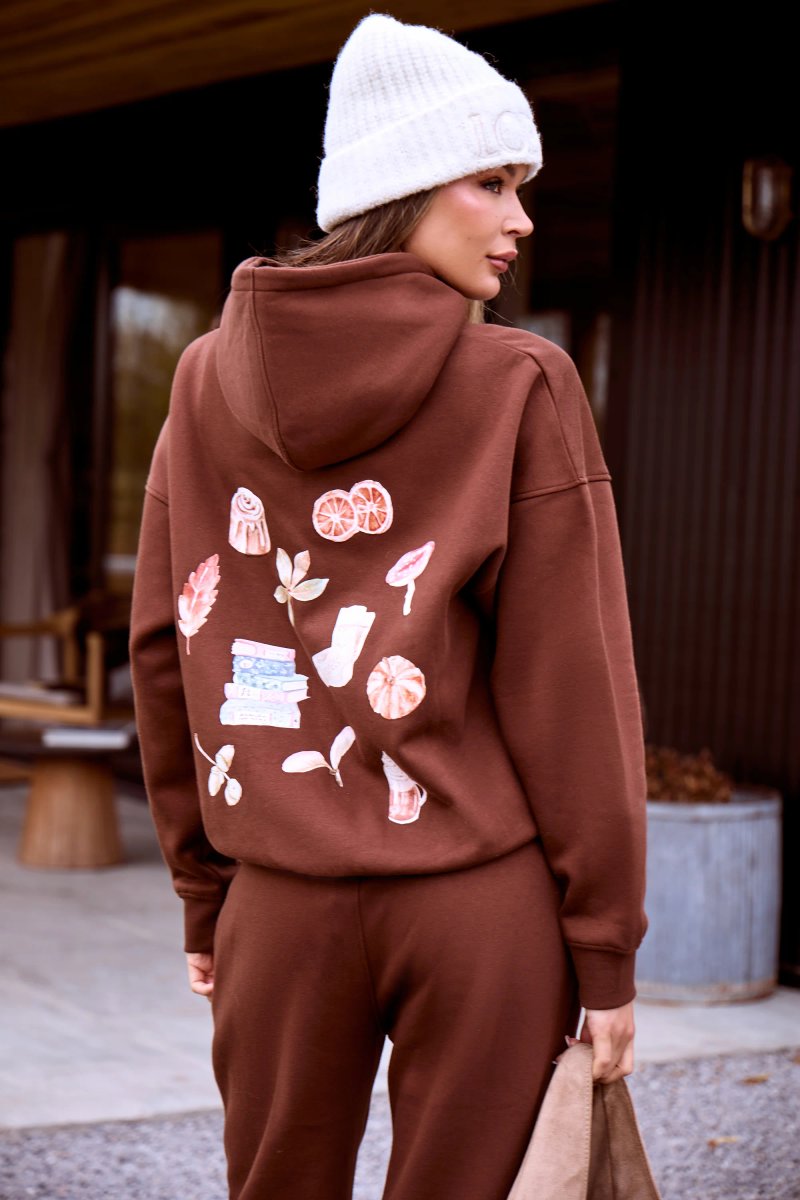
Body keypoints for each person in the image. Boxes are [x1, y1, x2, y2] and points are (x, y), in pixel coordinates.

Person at [130, 13, 648, 1200]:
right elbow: (570, 685)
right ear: (404, 187)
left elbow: (166, 648)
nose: (521, 219)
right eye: (491, 182)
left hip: (275, 901)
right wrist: (604, 949)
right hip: (478, 905)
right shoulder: (520, 380)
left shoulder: (200, 380)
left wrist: (205, 895)